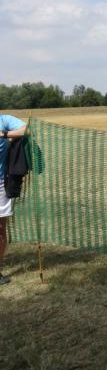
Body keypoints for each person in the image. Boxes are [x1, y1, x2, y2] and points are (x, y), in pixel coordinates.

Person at [0, 114, 27, 285]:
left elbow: (28, 129)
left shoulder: (3, 120)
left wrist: (4, 134)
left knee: (0, 228)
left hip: (0, 182)